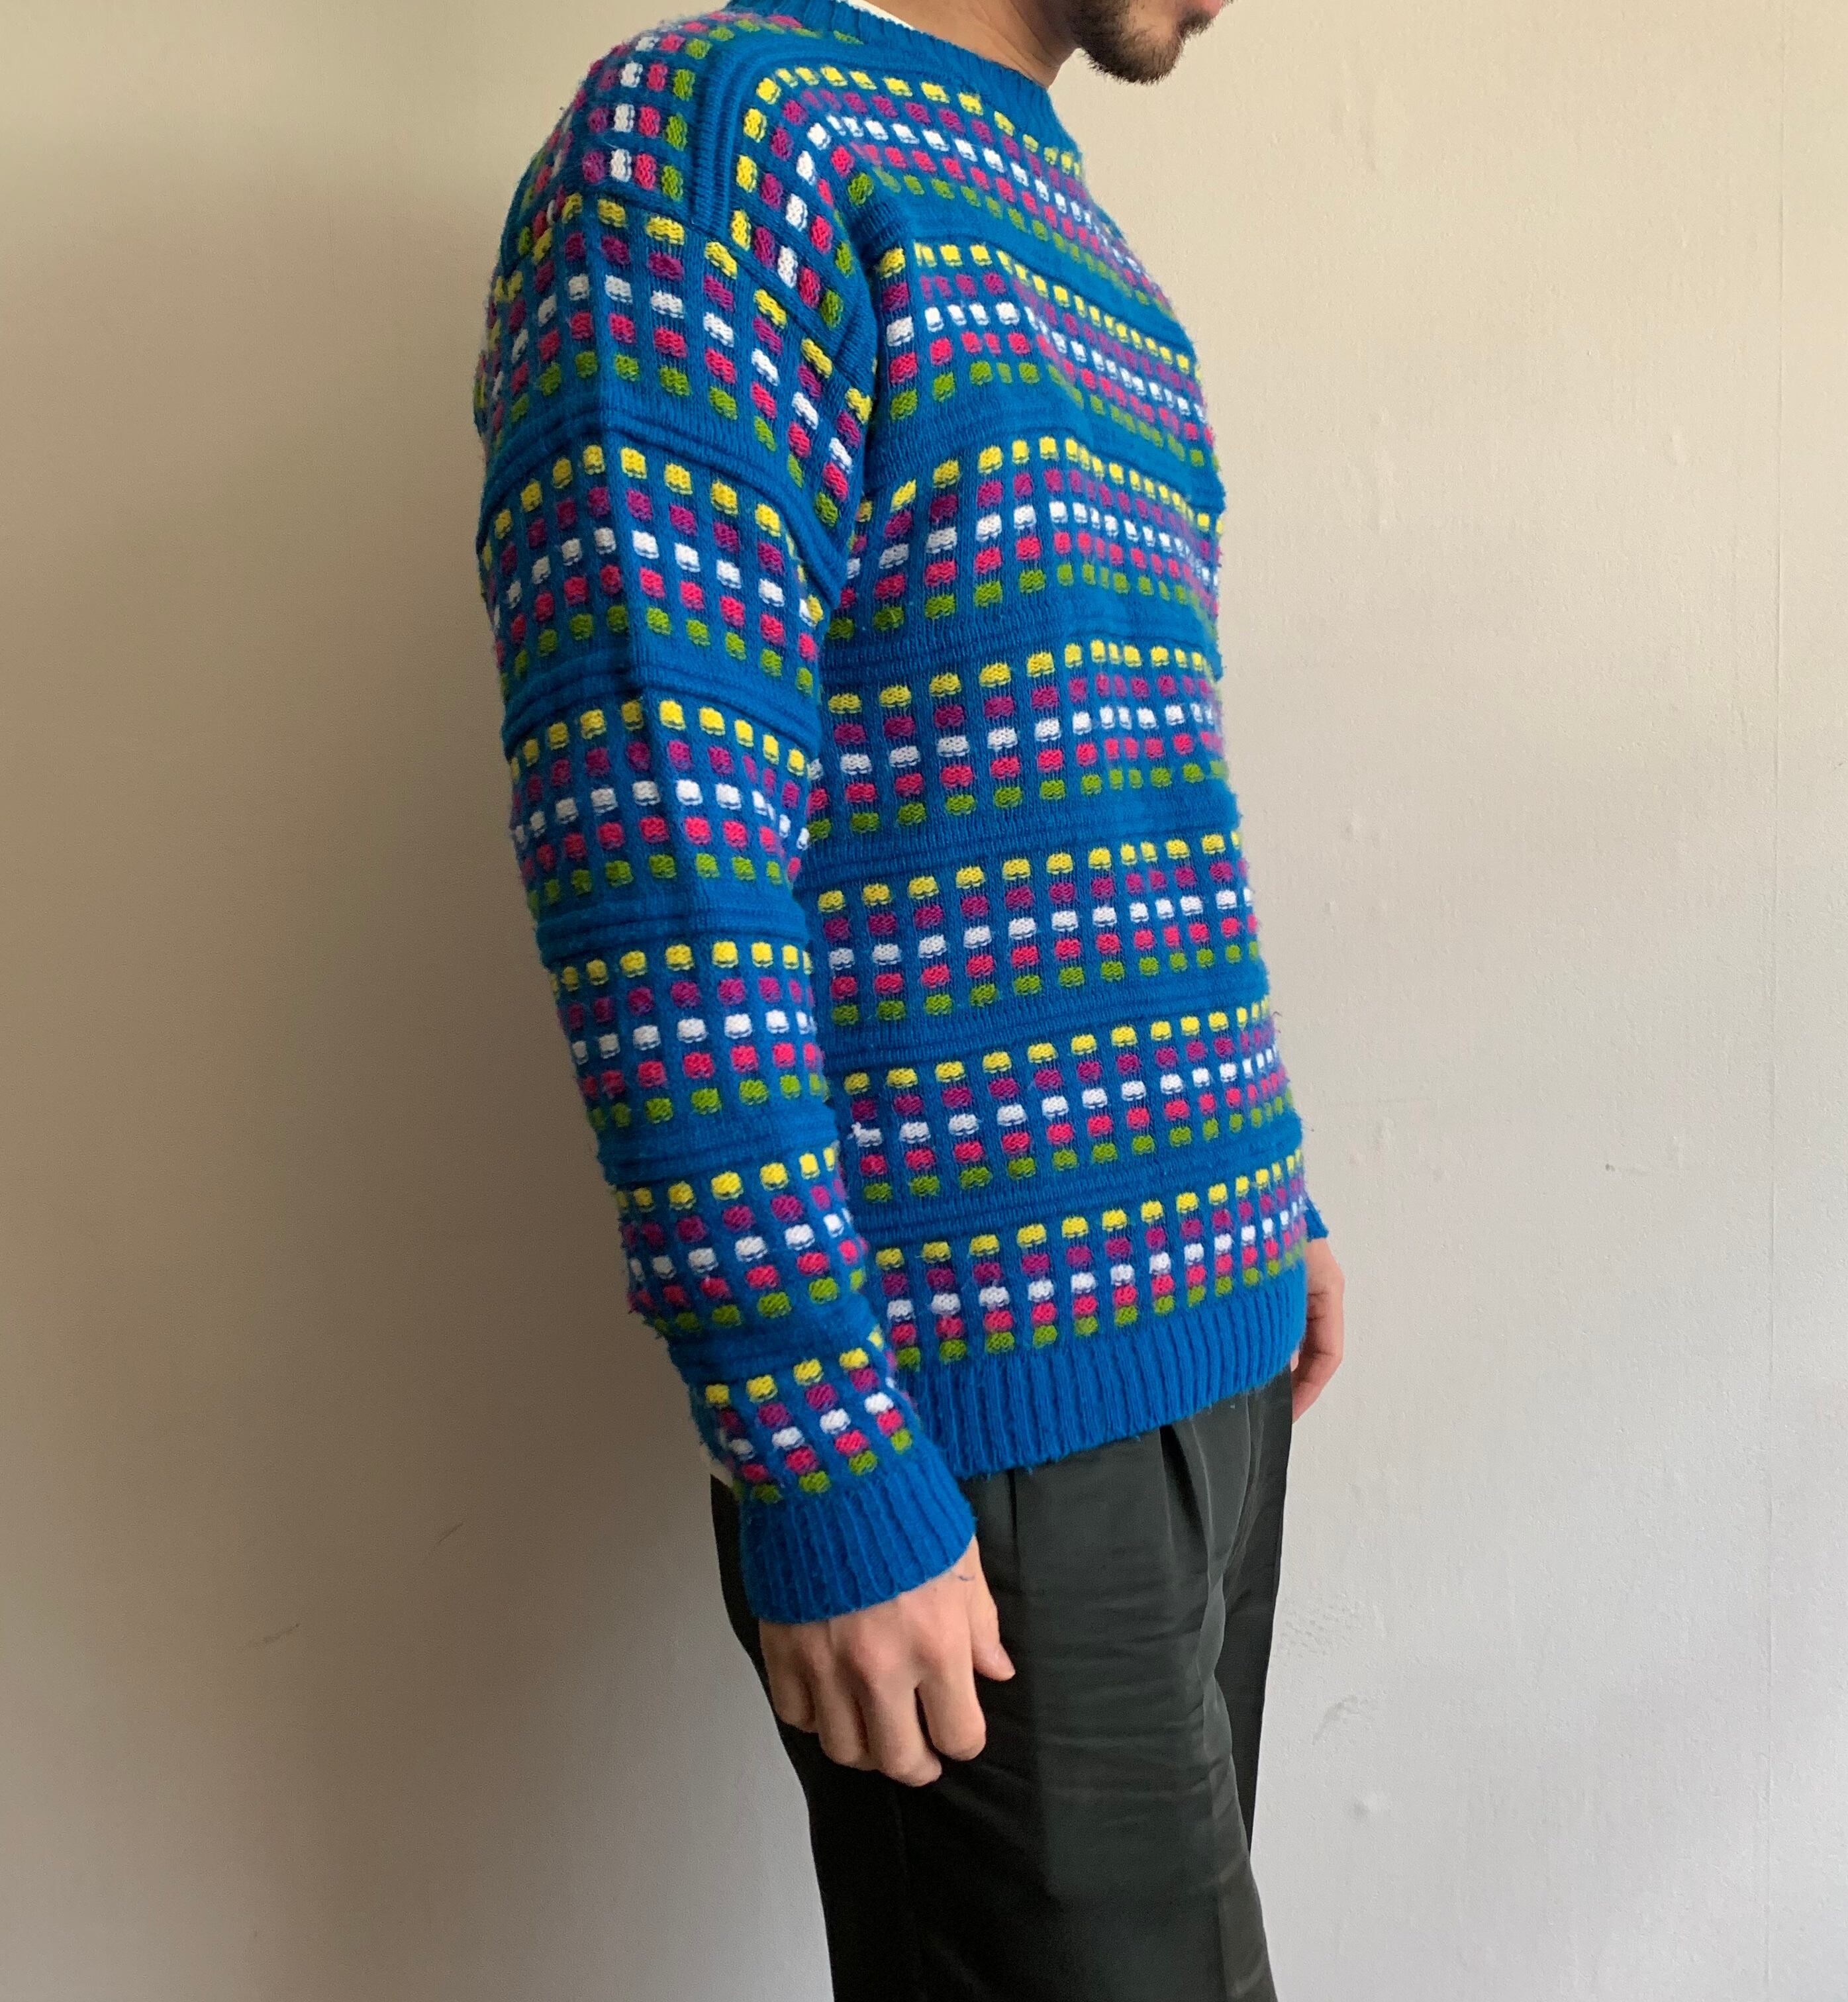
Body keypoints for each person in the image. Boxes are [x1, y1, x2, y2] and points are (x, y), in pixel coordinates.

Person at [470, 0, 1345, 1991]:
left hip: (1210, 1353)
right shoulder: (718, 147)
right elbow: (658, 854)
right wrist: (820, 1449)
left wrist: (1270, 1190)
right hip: (975, 1423)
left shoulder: (1091, 253)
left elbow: (1134, 784)